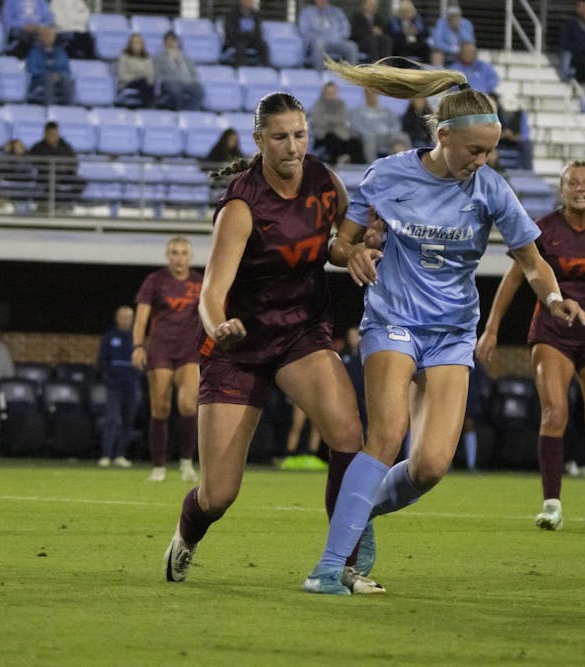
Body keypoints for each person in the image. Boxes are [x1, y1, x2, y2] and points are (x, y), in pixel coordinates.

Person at [303, 58, 585, 595]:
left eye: (490, 151)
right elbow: (338, 243)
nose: (483, 160)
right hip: (392, 318)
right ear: (442, 136)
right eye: (475, 150)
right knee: (385, 436)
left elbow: (531, 260)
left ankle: (359, 513)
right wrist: (353, 256)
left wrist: (553, 298)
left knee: (431, 465)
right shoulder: (387, 175)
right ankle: (328, 568)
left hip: (453, 330)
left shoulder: (491, 189)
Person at [162, 92, 367, 591]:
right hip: (239, 346)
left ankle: (343, 564)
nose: (293, 146)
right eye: (280, 137)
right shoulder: (241, 204)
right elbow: (212, 291)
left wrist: (354, 252)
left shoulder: (324, 179)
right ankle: (185, 537)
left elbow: (340, 238)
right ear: (259, 141)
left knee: (348, 437)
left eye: (300, 134)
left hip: (302, 332)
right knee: (219, 494)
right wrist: (218, 328)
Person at [477, 160, 585, 532]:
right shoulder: (542, 228)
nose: (580, 187)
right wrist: (491, 329)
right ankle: (552, 505)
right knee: (554, 413)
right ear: (562, 189)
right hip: (552, 334)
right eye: (573, 182)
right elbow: (513, 280)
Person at [132, 237, 203, 484]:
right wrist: (138, 345)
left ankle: (186, 463)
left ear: (190, 257)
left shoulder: (199, 282)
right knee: (160, 408)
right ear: (167, 255)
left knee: (188, 405)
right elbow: (142, 317)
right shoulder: (155, 281)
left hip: (189, 350)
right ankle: (159, 467)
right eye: (174, 252)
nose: (179, 257)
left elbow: (211, 312)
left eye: (184, 253)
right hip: (160, 349)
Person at [96, 305, 140, 469]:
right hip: (113, 387)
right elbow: (102, 362)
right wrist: (108, 378)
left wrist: (136, 377)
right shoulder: (109, 337)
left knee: (128, 421)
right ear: (117, 318)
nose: (125, 321)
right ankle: (106, 455)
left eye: (129, 317)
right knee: (112, 420)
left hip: (132, 386)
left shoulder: (137, 338)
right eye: (123, 317)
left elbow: (142, 361)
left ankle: (120, 455)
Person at [309, 81, 367, 164]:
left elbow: (343, 118)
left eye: (333, 93)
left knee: (355, 142)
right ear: (324, 93)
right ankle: (336, 165)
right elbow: (319, 121)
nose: (331, 95)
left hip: (342, 135)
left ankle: (359, 167)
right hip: (323, 136)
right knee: (332, 139)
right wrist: (335, 120)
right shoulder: (317, 105)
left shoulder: (341, 103)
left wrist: (328, 118)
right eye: (329, 93)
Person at [28, 121, 85, 205]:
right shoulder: (38, 147)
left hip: (65, 174)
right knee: (50, 184)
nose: (53, 136)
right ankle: (54, 205)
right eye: (51, 134)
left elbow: (74, 160)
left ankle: (65, 203)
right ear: (45, 134)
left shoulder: (65, 145)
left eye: (55, 133)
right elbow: (34, 162)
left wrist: (66, 168)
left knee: (81, 182)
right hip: (46, 176)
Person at [298, 0, 360, 71]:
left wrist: (339, 37)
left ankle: (351, 77)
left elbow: (346, 27)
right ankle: (320, 77)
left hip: (337, 41)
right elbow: (305, 31)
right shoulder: (307, 12)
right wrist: (318, 38)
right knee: (319, 45)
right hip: (318, 42)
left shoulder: (336, 11)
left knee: (352, 46)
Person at [153, 31, 204, 111]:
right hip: (170, 81)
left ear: (177, 42)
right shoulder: (159, 57)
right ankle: (178, 111)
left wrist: (194, 81)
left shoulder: (185, 56)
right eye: (168, 41)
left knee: (199, 91)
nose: (171, 43)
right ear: (164, 43)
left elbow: (193, 72)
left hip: (187, 81)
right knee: (176, 91)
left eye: (173, 41)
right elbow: (157, 73)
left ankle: (189, 111)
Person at [350, 88, 406, 161]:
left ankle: (407, 163)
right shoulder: (358, 111)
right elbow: (356, 126)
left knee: (403, 136)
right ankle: (372, 164)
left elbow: (396, 125)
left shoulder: (386, 110)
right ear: (365, 95)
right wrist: (368, 132)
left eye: (374, 94)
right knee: (369, 137)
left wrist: (391, 132)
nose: (372, 96)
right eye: (369, 94)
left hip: (387, 136)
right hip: (370, 137)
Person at [26, 26, 74, 105]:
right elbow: (32, 69)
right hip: (38, 78)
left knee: (67, 80)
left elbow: (66, 68)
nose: (48, 38)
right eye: (46, 35)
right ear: (41, 37)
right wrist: (48, 74)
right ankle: (50, 105)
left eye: (51, 36)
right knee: (49, 79)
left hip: (58, 76)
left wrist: (59, 74)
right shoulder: (34, 52)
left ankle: (70, 106)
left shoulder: (60, 52)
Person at [223, 0, 270, 68]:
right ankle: (241, 67)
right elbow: (231, 31)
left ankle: (265, 67)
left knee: (263, 45)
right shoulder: (232, 14)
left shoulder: (255, 14)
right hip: (237, 39)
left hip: (252, 39)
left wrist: (251, 35)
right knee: (241, 45)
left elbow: (258, 30)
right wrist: (245, 34)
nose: (250, 2)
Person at [279, 405, 327, 471]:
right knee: (297, 427)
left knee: (316, 429)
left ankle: (312, 456)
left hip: (317, 399)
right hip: (303, 398)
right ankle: (289, 456)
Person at [116, 33, 154, 109]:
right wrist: (137, 76)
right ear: (130, 44)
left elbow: (150, 73)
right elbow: (122, 74)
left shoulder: (147, 57)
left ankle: (148, 106)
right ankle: (147, 107)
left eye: (139, 42)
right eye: (135, 42)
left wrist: (144, 77)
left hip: (144, 82)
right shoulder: (124, 56)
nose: (137, 44)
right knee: (143, 81)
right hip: (128, 82)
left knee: (150, 83)